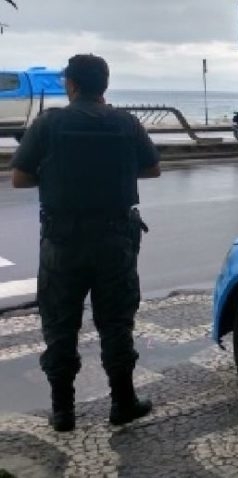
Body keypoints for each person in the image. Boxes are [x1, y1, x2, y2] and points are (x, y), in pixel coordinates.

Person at [10, 54, 161, 432]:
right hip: (115, 239)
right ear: (104, 85)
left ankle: (63, 412)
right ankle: (123, 403)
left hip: (63, 241)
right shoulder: (126, 123)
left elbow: (20, 178)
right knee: (116, 322)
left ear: (71, 85)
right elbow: (153, 168)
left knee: (60, 324)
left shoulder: (50, 123)